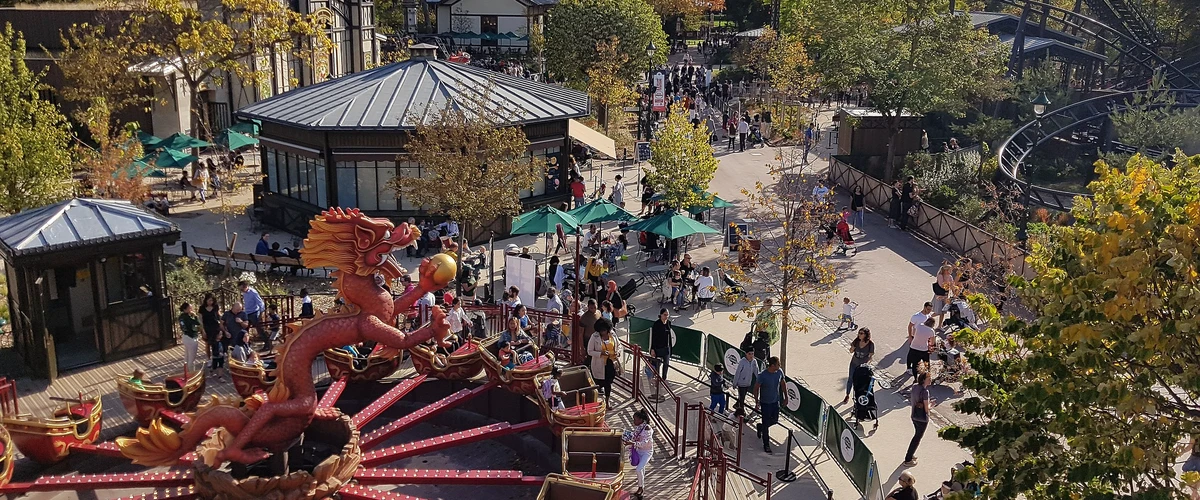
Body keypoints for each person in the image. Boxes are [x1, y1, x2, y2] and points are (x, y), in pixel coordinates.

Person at [755, 356, 786, 453]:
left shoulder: (780, 372)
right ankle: (766, 444)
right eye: (778, 364)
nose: (779, 366)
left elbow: (783, 384)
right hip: (765, 403)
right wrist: (757, 401)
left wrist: (786, 397)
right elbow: (756, 388)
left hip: (775, 402)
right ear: (772, 365)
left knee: (774, 421)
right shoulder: (762, 375)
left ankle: (761, 426)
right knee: (766, 423)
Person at [587, 317, 621, 403]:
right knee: (600, 383)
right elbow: (590, 351)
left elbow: (619, 345)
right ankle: (595, 399)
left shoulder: (612, 335)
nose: (603, 332)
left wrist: (618, 352)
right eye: (601, 330)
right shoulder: (594, 337)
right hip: (600, 364)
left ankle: (608, 399)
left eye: (605, 330)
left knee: (608, 383)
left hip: (611, 363)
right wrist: (600, 353)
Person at [903, 372, 933, 466]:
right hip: (922, 418)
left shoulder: (915, 386)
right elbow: (926, 408)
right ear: (924, 380)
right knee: (917, 438)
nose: (930, 380)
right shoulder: (925, 392)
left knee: (916, 436)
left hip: (914, 415)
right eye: (929, 379)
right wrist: (931, 405)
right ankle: (908, 459)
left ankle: (911, 455)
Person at [623, 409, 654, 500]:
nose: (634, 421)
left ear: (641, 420)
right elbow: (634, 436)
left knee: (639, 469)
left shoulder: (647, 428)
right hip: (639, 450)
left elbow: (645, 442)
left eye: (635, 419)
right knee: (641, 469)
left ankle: (640, 488)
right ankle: (641, 489)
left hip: (646, 452)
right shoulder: (639, 427)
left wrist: (632, 444)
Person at [843, 327, 875, 403]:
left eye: (861, 333)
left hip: (862, 367)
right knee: (850, 379)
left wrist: (867, 364)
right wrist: (852, 347)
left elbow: (870, 356)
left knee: (859, 382)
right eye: (859, 333)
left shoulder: (871, 344)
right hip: (854, 363)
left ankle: (857, 397)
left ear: (866, 335)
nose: (859, 335)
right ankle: (847, 395)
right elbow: (851, 351)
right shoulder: (856, 341)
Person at [199, 295, 225, 379]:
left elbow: (219, 315)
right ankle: (209, 359)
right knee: (207, 344)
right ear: (206, 300)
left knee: (216, 343)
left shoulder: (215, 307)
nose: (210, 302)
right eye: (209, 300)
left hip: (215, 327)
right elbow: (200, 319)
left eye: (212, 301)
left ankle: (216, 357)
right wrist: (202, 330)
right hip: (207, 328)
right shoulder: (202, 308)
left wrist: (222, 322)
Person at [239, 280, 267, 351]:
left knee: (259, 329)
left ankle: (267, 344)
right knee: (245, 329)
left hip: (254, 312)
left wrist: (261, 314)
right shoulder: (244, 293)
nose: (241, 291)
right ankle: (247, 345)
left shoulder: (253, 293)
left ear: (245, 287)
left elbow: (261, 303)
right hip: (247, 312)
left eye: (242, 289)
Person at [733, 349, 759, 416]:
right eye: (749, 354)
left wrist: (759, 379)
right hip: (741, 383)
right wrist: (735, 383)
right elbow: (737, 372)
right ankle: (742, 412)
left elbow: (756, 371)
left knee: (742, 396)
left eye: (752, 354)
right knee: (742, 397)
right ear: (746, 354)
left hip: (748, 383)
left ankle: (737, 404)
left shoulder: (754, 361)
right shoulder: (742, 362)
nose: (751, 355)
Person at [649, 308, 673, 381]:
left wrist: (670, 348)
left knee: (666, 364)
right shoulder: (656, 324)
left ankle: (663, 379)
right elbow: (654, 337)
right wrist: (652, 349)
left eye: (667, 315)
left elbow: (670, 336)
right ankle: (656, 377)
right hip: (658, 347)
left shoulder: (669, 323)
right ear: (661, 315)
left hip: (666, 347)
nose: (666, 317)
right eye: (665, 315)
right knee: (657, 364)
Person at [178, 303, 201, 370]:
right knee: (192, 357)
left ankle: (186, 371)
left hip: (185, 336)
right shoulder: (188, 317)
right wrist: (195, 316)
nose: (191, 309)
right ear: (185, 309)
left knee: (187, 356)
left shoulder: (181, 317)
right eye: (190, 308)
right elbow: (198, 322)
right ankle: (191, 372)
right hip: (191, 337)